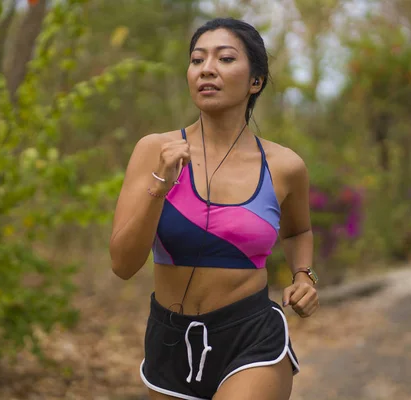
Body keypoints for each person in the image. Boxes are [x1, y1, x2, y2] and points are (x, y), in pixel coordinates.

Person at [109, 17, 319, 400]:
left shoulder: (285, 166)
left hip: (251, 337)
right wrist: (160, 182)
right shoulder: (154, 151)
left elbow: (297, 230)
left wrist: (304, 276)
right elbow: (123, 265)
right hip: (169, 341)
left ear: (255, 81)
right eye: (196, 60)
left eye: (224, 59)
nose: (206, 68)